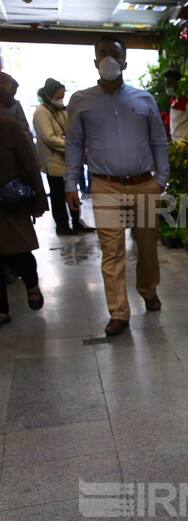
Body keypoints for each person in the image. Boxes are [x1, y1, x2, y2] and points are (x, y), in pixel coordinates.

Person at [64, 35, 169, 337]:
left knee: (147, 246)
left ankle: (148, 289)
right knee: (111, 250)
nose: (109, 58)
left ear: (125, 61)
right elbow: (73, 144)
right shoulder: (81, 100)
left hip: (143, 184)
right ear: (95, 61)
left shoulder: (143, 99)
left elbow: (159, 141)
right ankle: (119, 312)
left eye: (115, 53)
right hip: (105, 185)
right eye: (103, 53)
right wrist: (70, 183)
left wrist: (161, 179)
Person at [0, 72, 48, 329]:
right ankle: (1, 310)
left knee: (20, 252)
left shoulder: (8, 126)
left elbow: (29, 164)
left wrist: (39, 201)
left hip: (12, 200)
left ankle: (31, 284)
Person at [33, 78, 91, 235]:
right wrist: (73, 146)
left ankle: (77, 222)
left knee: (73, 193)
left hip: (68, 162)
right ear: (50, 95)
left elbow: (72, 130)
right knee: (58, 196)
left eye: (62, 96)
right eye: (58, 97)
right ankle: (62, 226)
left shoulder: (61, 110)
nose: (61, 99)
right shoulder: (42, 112)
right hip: (54, 162)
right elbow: (49, 138)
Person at [163, 68, 188, 143]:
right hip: (176, 142)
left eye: (170, 83)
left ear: (178, 83)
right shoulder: (173, 101)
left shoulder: (187, 101)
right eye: (166, 83)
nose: (167, 86)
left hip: (187, 142)